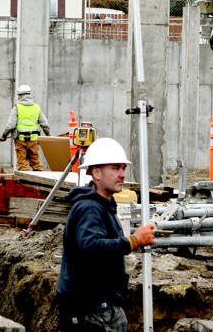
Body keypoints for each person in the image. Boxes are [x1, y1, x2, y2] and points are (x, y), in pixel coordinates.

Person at [55, 138, 155, 331]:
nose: (122, 175)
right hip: (93, 309)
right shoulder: (89, 208)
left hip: (94, 305)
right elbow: (91, 247)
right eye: (115, 168)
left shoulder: (101, 205)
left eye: (123, 169)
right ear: (96, 172)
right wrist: (133, 241)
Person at [0, 84, 51, 171]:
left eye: (18, 95)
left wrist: (4, 135)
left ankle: (24, 179)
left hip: (20, 139)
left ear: (20, 95)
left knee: (22, 163)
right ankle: (38, 176)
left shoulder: (17, 107)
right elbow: (45, 124)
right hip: (34, 139)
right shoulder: (36, 107)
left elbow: (10, 125)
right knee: (35, 161)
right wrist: (48, 135)